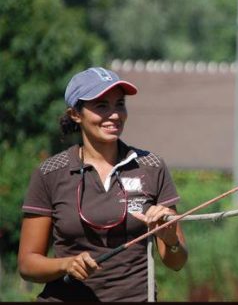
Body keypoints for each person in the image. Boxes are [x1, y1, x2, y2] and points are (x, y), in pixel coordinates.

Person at [18, 66, 188, 302]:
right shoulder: (49, 173)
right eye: (101, 106)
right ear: (75, 114)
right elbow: (27, 264)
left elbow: (177, 263)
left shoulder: (152, 166)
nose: (115, 115)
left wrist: (171, 241)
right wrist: (66, 264)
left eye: (120, 104)